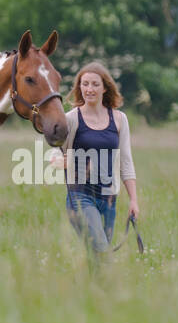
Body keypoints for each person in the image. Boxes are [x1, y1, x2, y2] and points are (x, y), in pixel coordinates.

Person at [51, 62, 139, 263]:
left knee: (98, 255)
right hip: (80, 196)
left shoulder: (119, 119)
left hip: (108, 197)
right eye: (85, 84)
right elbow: (53, 154)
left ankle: (93, 292)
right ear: (79, 87)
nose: (89, 89)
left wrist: (133, 200)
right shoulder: (71, 119)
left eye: (95, 84)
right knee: (101, 248)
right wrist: (61, 161)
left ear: (105, 87)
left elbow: (126, 161)